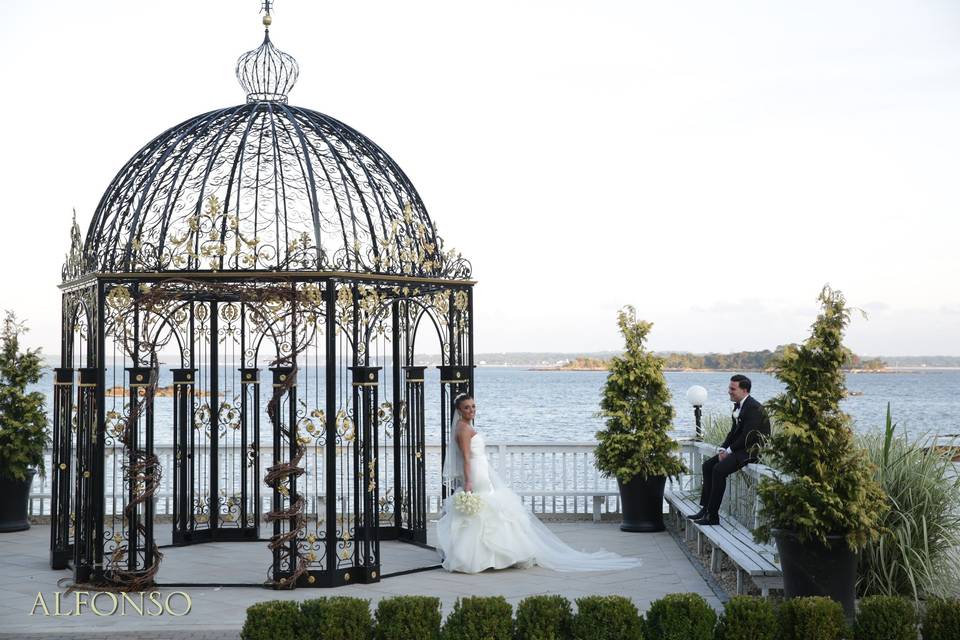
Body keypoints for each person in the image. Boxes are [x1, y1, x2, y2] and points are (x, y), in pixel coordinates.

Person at [435, 393, 642, 573]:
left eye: (473, 406)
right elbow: (465, 457)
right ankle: (483, 557)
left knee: (488, 511)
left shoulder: (467, 426)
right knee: (485, 510)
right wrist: (469, 481)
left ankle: (493, 557)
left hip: (481, 469)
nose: (471, 410)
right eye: (466, 408)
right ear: (459, 410)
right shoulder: (463, 429)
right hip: (476, 473)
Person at [688, 374, 769, 526]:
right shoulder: (739, 406)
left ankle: (713, 516)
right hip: (740, 448)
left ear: (744, 390)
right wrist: (723, 448)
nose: (729, 391)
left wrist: (729, 451)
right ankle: (705, 509)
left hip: (751, 450)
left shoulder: (754, 408)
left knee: (719, 470)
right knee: (707, 466)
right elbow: (733, 432)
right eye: (729, 388)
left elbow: (748, 436)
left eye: (733, 388)